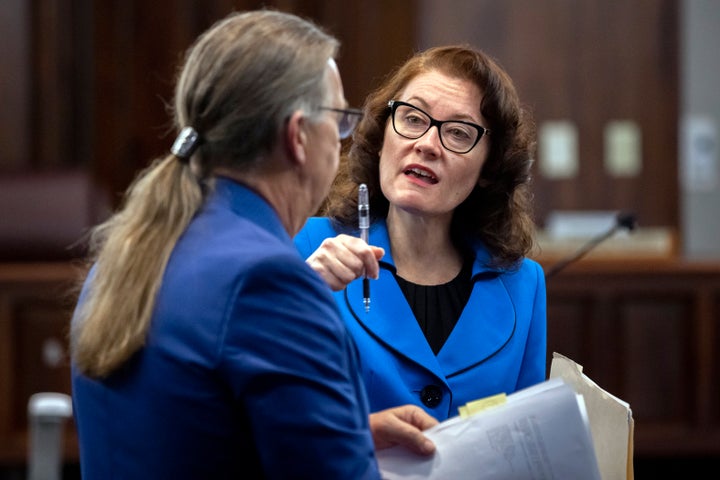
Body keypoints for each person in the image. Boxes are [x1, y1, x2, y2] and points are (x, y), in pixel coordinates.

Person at [69, 10, 437, 479]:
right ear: (298, 136)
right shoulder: (269, 280)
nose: (342, 142)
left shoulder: (130, 251)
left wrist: (347, 435)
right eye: (340, 120)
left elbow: (186, 433)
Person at [294, 44, 547, 421]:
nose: (426, 144)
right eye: (412, 119)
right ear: (382, 138)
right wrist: (296, 295)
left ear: (489, 169)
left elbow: (527, 442)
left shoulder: (523, 285)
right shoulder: (304, 247)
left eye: (459, 133)